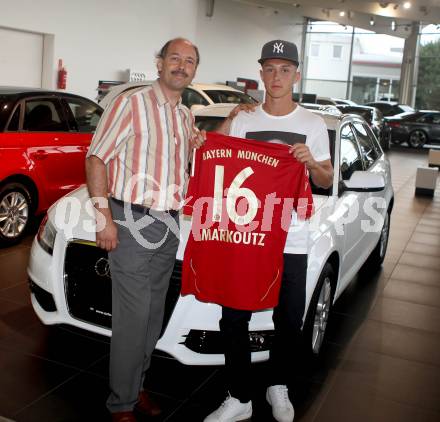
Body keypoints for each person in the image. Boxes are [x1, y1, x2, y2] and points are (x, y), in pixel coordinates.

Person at [205, 40, 333, 422]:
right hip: (248, 234)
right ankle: (239, 395)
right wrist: (230, 117)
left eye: (284, 69)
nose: (276, 76)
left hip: (291, 235)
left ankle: (279, 385)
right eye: (270, 68)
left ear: (296, 73)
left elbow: (326, 178)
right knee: (233, 316)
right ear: (261, 73)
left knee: (289, 318)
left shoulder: (311, 124)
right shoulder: (245, 120)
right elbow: (215, 154)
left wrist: (311, 163)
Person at [86, 38, 203, 422]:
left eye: (189, 62)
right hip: (130, 219)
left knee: (153, 317)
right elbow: (97, 156)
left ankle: (136, 387)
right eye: (175, 58)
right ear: (159, 63)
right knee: (133, 319)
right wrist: (104, 217)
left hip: (169, 222)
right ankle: (121, 402)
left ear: (194, 70)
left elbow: (187, 163)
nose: (181, 66)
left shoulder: (185, 116)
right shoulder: (130, 104)